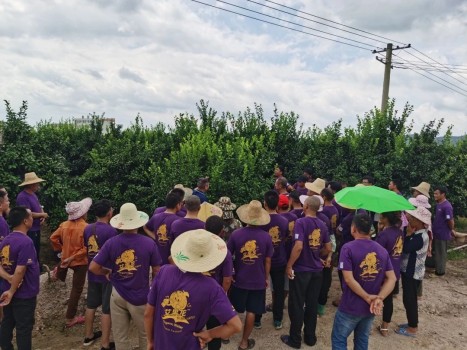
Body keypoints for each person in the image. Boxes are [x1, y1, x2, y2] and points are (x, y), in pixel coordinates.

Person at [144, 229, 242, 350]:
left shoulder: (164, 272)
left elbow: (148, 314)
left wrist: (150, 341)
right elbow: (236, 326)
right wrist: (209, 334)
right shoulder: (212, 288)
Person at [90, 203, 162, 350]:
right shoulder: (149, 243)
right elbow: (156, 270)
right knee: (146, 335)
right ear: (138, 222)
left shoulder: (111, 242)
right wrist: (153, 289)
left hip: (117, 294)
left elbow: (93, 267)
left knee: (120, 336)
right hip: (141, 295)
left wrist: (107, 272)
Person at [331, 213, 396, 350]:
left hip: (350, 306)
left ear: (353, 228)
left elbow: (348, 279)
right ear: (370, 230)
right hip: (370, 308)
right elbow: (392, 278)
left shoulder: (348, 248)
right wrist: (379, 298)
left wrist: (368, 297)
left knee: (339, 340)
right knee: (362, 340)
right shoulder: (382, 251)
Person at [281, 196, 331, 349]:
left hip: (302, 270)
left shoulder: (301, 222)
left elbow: (298, 247)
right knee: (311, 304)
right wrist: (317, 256)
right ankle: (310, 337)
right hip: (316, 271)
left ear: (307, 205)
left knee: (296, 304)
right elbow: (328, 248)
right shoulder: (322, 224)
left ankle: (295, 339)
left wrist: (289, 265)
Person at [228, 200, 273, 350]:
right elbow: (267, 261)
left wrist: (231, 272)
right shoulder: (266, 237)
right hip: (258, 278)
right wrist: (265, 277)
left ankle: (226, 335)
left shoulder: (236, 234)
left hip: (239, 278)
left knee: (231, 307)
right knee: (252, 310)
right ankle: (244, 342)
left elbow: (228, 256)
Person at [0, 207, 40, 350]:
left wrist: (9, 280)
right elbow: (20, 269)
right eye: (30, 216)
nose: (32, 219)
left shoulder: (6, 240)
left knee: (7, 322)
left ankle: (5, 347)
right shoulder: (26, 242)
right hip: (24, 293)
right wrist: (12, 289)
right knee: (24, 328)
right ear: (25, 221)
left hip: (7, 291)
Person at [50, 197, 92, 328]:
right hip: (80, 261)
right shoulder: (86, 227)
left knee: (63, 264)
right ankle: (70, 318)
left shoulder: (64, 225)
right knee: (77, 289)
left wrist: (62, 249)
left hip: (66, 258)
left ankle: (56, 275)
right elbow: (87, 248)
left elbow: (53, 238)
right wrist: (74, 256)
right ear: (83, 213)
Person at [83, 200, 118, 349]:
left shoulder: (87, 229)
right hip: (106, 274)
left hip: (92, 273)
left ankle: (88, 336)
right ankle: (105, 344)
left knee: (90, 305)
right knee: (106, 309)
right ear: (109, 213)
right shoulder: (111, 231)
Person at [256, 191, 288, 330]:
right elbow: (285, 237)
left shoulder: (260, 222)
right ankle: (277, 319)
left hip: (262, 261)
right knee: (279, 291)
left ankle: (257, 319)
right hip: (279, 259)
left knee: (260, 289)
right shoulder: (284, 221)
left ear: (265, 203)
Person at [396, 206, 431, 337]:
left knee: (409, 300)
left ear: (421, 222)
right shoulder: (419, 234)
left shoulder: (420, 236)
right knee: (408, 298)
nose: (410, 220)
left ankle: (413, 327)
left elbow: (406, 248)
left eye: (414, 219)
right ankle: (412, 322)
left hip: (412, 273)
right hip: (410, 272)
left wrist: (409, 235)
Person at [204, 215, 234, 350]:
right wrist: (223, 295)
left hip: (195, 292)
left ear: (205, 228)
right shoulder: (224, 252)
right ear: (222, 231)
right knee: (214, 329)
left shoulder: (198, 246)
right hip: (214, 295)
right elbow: (227, 279)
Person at [375, 211, 403, 337]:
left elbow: (377, 253)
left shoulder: (384, 235)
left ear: (386, 218)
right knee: (389, 299)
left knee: (376, 296)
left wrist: (378, 233)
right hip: (395, 269)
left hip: (383, 271)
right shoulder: (399, 232)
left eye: (382, 216)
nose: (380, 218)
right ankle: (385, 327)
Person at [16, 172, 48, 264]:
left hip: (36, 227)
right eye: (36, 183)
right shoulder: (22, 197)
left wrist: (42, 213)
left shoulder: (33, 194)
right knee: (31, 251)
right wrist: (42, 215)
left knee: (36, 250)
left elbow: (38, 206)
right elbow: (27, 213)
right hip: (30, 229)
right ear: (31, 185)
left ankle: (37, 269)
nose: (38, 185)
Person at [143, 192, 182, 264]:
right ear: (177, 205)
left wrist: (155, 237)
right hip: (172, 260)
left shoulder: (156, 217)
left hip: (157, 258)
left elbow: (145, 227)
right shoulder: (178, 221)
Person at [432, 185, 455, 276]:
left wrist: (451, 229)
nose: (434, 195)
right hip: (436, 233)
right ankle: (436, 267)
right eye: (434, 193)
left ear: (443, 194)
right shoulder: (438, 204)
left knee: (441, 253)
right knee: (436, 252)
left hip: (443, 234)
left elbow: (450, 220)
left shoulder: (447, 206)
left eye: (436, 193)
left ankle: (440, 272)